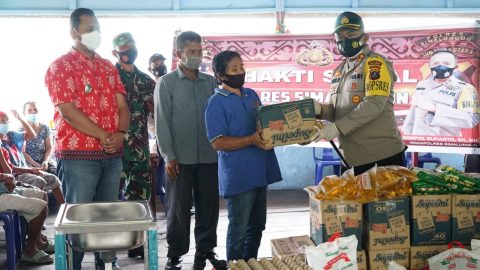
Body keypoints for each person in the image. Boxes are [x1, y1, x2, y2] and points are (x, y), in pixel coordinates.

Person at [44, 8, 130, 270]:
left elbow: (123, 106)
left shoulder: (107, 67)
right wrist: (106, 135)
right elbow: (68, 112)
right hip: (77, 157)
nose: (96, 34)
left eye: (98, 28)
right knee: (78, 218)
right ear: (74, 32)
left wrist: (121, 134)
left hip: (111, 155)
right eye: (89, 28)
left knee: (107, 215)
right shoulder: (60, 67)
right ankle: (73, 266)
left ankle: (107, 263)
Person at [154, 31, 226, 270]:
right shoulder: (166, 83)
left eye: (199, 52)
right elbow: (162, 123)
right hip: (178, 159)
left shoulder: (211, 82)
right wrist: (168, 156)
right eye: (191, 52)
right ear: (179, 54)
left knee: (209, 207)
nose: (197, 56)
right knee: (178, 210)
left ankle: (205, 251)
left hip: (209, 156)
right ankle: (175, 256)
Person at [205, 50, 282, 261]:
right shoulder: (216, 102)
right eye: (234, 69)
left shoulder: (252, 95)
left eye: (241, 67)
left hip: (260, 169)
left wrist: (291, 132)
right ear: (221, 75)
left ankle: (250, 264)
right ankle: (235, 266)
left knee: (257, 225)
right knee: (239, 229)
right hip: (238, 174)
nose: (240, 72)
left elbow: (266, 125)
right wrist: (250, 140)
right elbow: (217, 142)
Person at [312, 11, 405, 176]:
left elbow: (374, 103)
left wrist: (336, 128)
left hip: (380, 157)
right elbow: (338, 110)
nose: (345, 39)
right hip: (350, 158)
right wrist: (319, 109)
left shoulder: (375, 64)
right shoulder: (339, 71)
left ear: (365, 37)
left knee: (381, 203)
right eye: (340, 35)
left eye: (351, 33)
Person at [112, 32, 156, 258]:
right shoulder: (108, 77)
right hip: (112, 148)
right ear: (115, 53)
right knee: (108, 197)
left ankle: (135, 242)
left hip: (139, 147)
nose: (129, 52)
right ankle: (107, 247)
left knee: (139, 195)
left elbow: (156, 116)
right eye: (124, 49)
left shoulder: (147, 81)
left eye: (132, 47)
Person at [402, 50, 479, 136]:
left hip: (445, 145)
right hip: (417, 144)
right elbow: (413, 112)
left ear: (455, 68)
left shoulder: (466, 88)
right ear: (429, 66)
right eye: (435, 63)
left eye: (446, 63)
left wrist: (435, 108)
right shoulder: (422, 84)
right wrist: (406, 134)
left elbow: (472, 119)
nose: (440, 66)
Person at [0, 146, 54, 264]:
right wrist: (3, 177)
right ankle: (29, 250)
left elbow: (9, 171)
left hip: (4, 188)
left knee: (42, 195)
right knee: (40, 207)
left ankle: (38, 242)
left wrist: (16, 183)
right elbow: (5, 174)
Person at [0, 110, 65, 205]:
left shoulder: (11, 135)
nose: (5, 123)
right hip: (16, 174)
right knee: (39, 181)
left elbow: (33, 135)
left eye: (7, 120)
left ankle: (63, 208)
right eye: (2, 121)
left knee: (53, 178)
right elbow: (9, 170)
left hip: (26, 170)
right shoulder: (1, 144)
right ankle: (38, 210)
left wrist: (20, 118)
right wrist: (30, 170)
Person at [147, 53, 167, 204]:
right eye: (156, 64)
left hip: (175, 134)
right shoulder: (148, 85)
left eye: (161, 63)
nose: (159, 66)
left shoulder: (171, 82)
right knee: (158, 171)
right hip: (157, 134)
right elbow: (148, 113)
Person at [22, 101, 57, 175]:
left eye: (35, 110)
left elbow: (49, 148)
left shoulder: (45, 128)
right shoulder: (21, 130)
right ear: (24, 113)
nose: (33, 112)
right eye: (29, 110)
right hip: (29, 162)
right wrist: (36, 165)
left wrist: (45, 161)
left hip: (44, 161)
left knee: (56, 172)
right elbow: (22, 152)